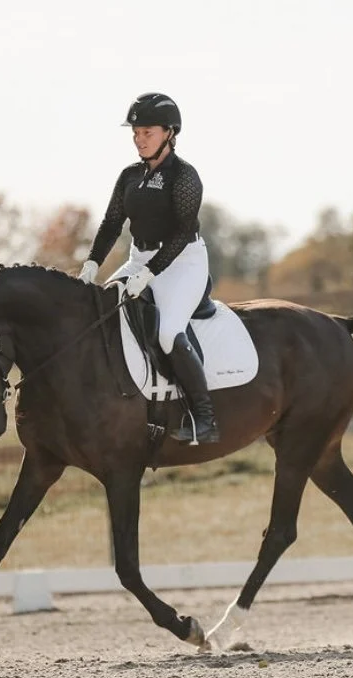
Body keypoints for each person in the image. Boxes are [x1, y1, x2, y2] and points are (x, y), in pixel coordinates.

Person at [78, 92, 219, 446]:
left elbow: (183, 231)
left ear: (170, 133)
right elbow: (112, 224)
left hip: (182, 260)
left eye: (148, 133)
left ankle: (204, 416)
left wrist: (151, 272)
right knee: (99, 316)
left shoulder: (184, 176)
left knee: (169, 332)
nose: (140, 140)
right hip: (139, 258)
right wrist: (92, 263)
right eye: (136, 133)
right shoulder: (129, 176)